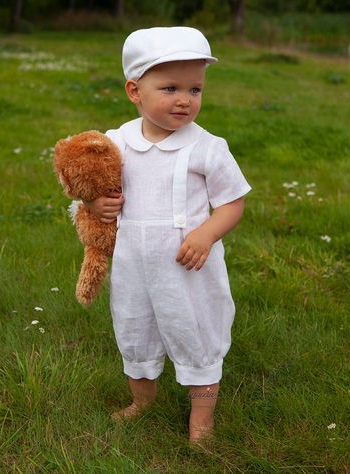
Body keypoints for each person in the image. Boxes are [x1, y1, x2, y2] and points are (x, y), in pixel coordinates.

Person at [83, 26, 252, 444]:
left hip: (188, 267)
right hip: (133, 265)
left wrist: (207, 234)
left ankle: (202, 419)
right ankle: (142, 401)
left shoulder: (207, 147)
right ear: (134, 90)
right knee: (135, 328)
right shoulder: (115, 143)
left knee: (195, 331)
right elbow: (92, 191)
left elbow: (233, 202)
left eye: (195, 89)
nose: (184, 99)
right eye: (171, 87)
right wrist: (94, 206)